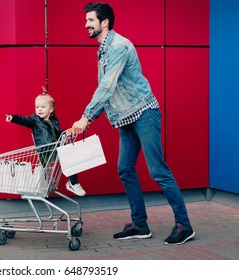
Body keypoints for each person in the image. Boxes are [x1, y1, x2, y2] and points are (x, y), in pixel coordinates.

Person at [72, 2, 195, 245]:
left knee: (158, 170)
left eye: (90, 20)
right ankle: (139, 224)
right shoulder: (104, 50)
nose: (86, 24)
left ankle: (184, 225)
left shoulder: (118, 46)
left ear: (104, 22)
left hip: (144, 113)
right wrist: (91, 118)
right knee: (125, 169)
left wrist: (87, 116)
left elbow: (107, 86)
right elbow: (111, 89)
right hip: (126, 118)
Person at [6, 89, 86, 196]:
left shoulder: (54, 121)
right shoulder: (34, 120)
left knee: (70, 158)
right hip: (45, 150)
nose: (39, 109)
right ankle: (72, 183)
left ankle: (73, 183)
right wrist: (13, 118)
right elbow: (24, 119)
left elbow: (57, 134)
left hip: (54, 149)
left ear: (51, 109)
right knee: (67, 157)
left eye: (43, 107)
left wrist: (68, 132)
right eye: (37, 107)